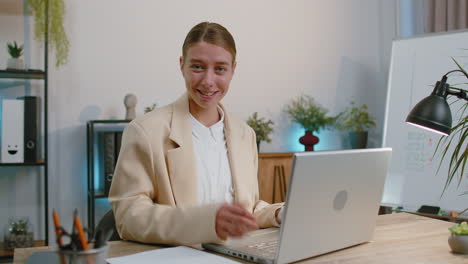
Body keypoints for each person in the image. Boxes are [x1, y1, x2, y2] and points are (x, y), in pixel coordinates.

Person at [109, 21, 284, 245]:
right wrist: (205, 223)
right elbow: (128, 216)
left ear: (233, 70)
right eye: (197, 67)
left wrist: (278, 213)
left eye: (220, 68)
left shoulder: (245, 135)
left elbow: (246, 210)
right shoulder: (145, 132)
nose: (208, 81)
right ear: (182, 65)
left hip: (237, 255)